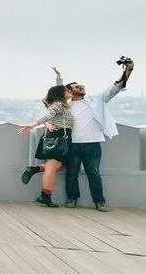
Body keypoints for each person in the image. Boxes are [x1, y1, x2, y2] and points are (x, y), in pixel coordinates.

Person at [63, 58, 134, 211]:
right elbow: (52, 103)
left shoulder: (96, 100)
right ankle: (72, 198)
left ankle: (99, 201)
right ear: (70, 91)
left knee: (94, 173)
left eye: (81, 85)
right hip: (73, 144)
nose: (81, 86)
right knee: (71, 173)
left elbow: (115, 88)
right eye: (77, 86)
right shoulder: (66, 106)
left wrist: (128, 70)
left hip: (93, 144)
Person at [18, 67, 73, 208]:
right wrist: (33, 125)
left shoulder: (62, 103)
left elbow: (59, 89)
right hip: (59, 136)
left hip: (60, 135)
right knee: (53, 167)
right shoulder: (58, 104)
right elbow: (48, 115)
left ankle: (34, 170)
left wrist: (59, 77)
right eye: (67, 91)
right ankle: (45, 196)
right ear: (61, 94)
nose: (69, 91)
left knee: (59, 166)